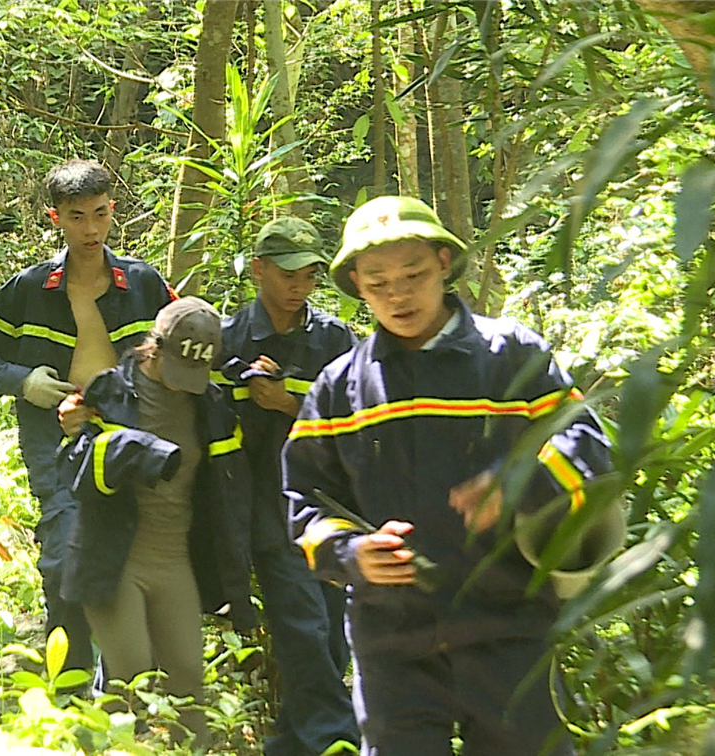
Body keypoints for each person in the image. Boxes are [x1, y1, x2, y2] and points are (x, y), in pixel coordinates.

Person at [282, 196, 613, 756]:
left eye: (412, 275)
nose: (398, 295)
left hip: (508, 629)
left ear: (443, 263)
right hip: (393, 643)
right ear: (357, 286)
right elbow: (302, 499)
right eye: (379, 282)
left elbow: (588, 444)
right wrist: (350, 553)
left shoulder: (511, 355)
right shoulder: (340, 387)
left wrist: (518, 484)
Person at [0, 158, 176, 673]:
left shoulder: (143, 283)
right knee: (66, 558)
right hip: (56, 445)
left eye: (100, 214)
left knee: (135, 560)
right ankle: (70, 688)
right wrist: (22, 382)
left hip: (133, 442)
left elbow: (189, 347)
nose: (91, 229)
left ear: (113, 211)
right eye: (77, 217)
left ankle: (131, 688)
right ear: (56, 219)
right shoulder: (30, 289)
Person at [57, 296, 253, 744]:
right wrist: (77, 435)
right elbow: (71, 472)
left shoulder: (211, 402)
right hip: (115, 558)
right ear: (155, 347)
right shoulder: (110, 390)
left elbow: (228, 488)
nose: (186, 383)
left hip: (175, 559)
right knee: (130, 679)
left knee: (188, 683)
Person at [214, 217, 360, 755]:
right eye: (289, 273)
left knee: (328, 628)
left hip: (329, 499)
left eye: (311, 275)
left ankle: (292, 742)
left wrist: (286, 402)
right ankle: (336, 738)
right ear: (259, 270)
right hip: (264, 502)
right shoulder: (228, 338)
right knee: (299, 620)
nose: (300, 286)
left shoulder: (334, 338)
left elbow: (362, 416)